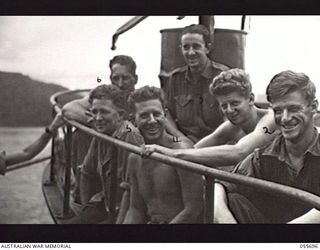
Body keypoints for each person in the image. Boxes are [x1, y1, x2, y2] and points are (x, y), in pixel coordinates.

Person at [214, 70, 320, 223]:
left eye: (293, 109)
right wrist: (225, 219)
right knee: (233, 201)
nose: (285, 118)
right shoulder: (263, 157)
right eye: (278, 110)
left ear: (313, 107)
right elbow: (221, 184)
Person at [143, 68, 277, 169]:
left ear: (251, 99)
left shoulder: (270, 120)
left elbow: (240, 152)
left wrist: (171, 154)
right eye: (224, 106)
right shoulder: (231, 127)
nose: (229, 110)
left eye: (235, 103)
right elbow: (194, 151)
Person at [123, 86, 203, 224]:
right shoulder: (135, 158)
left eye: (157, 114)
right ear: (133, 120)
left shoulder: (181, 150)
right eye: (144, 115)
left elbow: (193, 210)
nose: (152, 120)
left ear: (165, 115)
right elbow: (136, 209)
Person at [66, 84, 144, 224]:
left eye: (104, 112)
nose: (98, 118)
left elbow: (133, 193)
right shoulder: (102, 134)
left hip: (124, 213)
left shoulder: (130, 137)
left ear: (120, 115)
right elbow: (86, 173)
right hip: (106, 205)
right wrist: (86, 212)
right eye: (94, 112)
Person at [161, 24, 230, 143]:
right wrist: (181, 139)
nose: (191, 52)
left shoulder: (223, 76)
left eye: (196, 46)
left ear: (207, 48)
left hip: (219, 142)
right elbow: (167, 113)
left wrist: (203, 147)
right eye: (186, 47)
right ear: (181, 49)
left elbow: (230, 120)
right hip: (185, 143)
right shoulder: (175, 79)